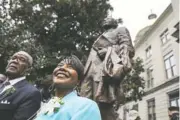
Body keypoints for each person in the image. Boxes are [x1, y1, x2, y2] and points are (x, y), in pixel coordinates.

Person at [80, 17, 135, 120]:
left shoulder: (121, 30)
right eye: (104, 19)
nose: (105, 20)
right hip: (89, 71)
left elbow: (129, 49)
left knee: (102, 105)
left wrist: (108, 51)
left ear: (114, 22)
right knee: (85, 103)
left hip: (103, 71)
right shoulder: (100, 36)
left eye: (108, 18)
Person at [35, 55, 101, 120]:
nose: (62, 68)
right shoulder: (47, 106)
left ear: (78, 81)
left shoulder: (87, 106)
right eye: (60, 65)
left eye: (70, 67)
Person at [0, 51, 41, 120]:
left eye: (22, 59)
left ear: (28, 70)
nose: (15, 61)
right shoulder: (2, 86)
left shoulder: (31, 93)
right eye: (13, 58)